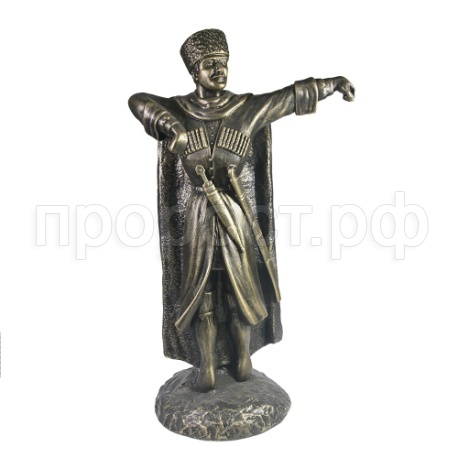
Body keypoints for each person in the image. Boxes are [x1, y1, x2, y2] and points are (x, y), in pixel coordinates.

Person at [129, 29, 355, 392]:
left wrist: (332, 84)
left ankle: (242, 358)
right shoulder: (179, 110)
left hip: (235, 216)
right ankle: (206, 364)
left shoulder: (245, 109)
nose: (219, 70)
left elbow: (287, 98)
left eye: (223, 63)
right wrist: (172, 127)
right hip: (199, 218)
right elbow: (138, 101)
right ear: (194, 71)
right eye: (210, 65)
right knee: (202, 293)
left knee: (240, 290)